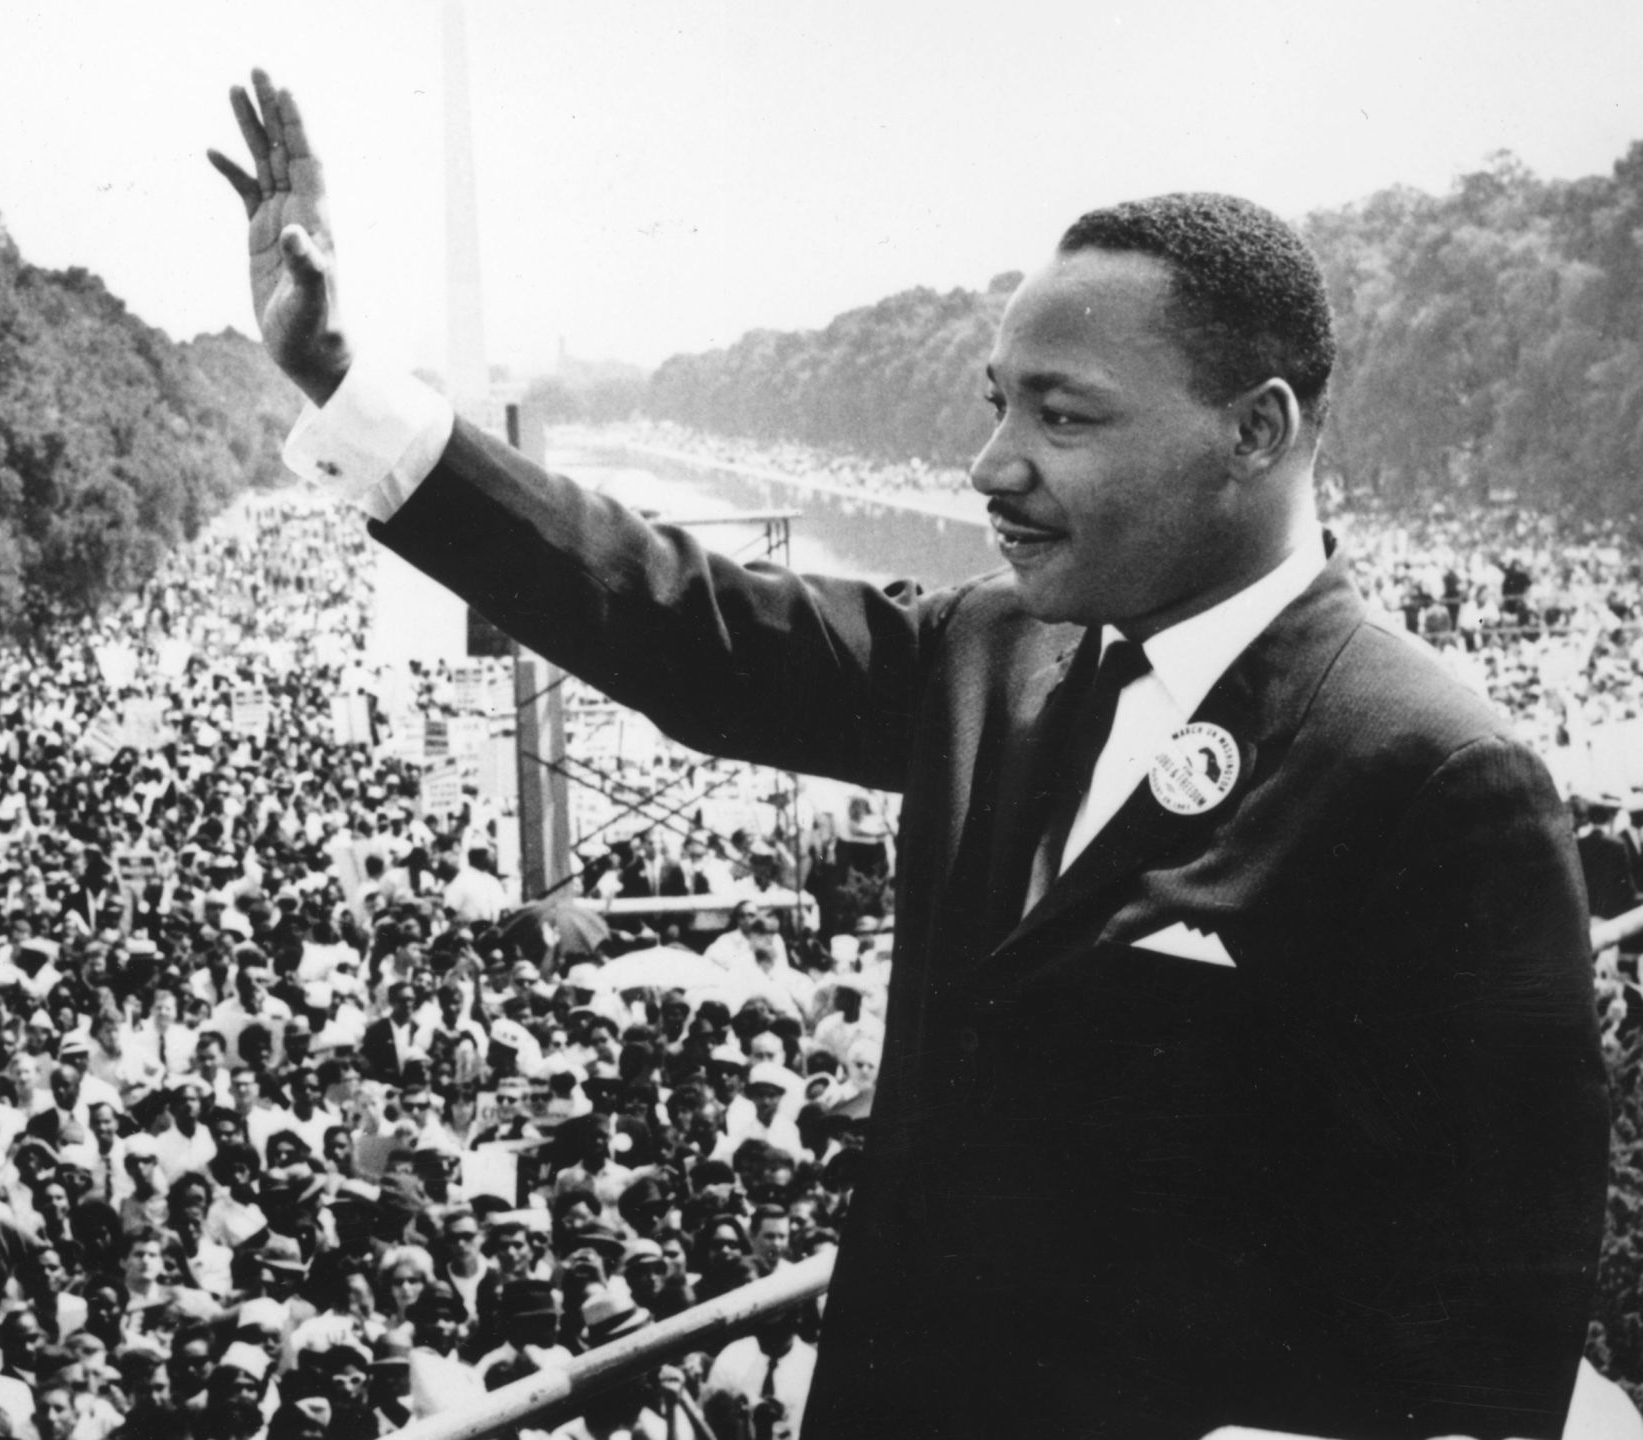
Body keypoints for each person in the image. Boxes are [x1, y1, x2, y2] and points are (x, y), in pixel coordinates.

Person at [211, 70, 1610, 1439]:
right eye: (994, 404)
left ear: (1257, 431)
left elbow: (1491, 1352)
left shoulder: (1437, 780)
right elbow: (683, 628)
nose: (991, 465)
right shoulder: (994, 649)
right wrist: (344, 382)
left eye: (1061, 417)